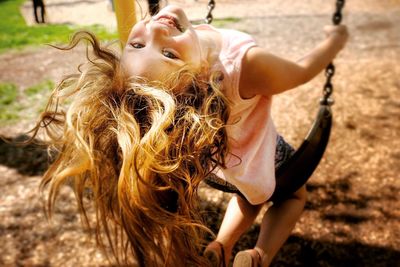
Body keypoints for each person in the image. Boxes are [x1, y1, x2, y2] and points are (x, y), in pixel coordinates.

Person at [30, 4, 348, 267]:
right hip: (262, 156)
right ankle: (260, 257)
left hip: (221, 162)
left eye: (137, 45)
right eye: (169, 54)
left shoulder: (188, 82)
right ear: (200, 82)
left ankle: (221, 246)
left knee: (247, 193)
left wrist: (172, 48)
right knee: (292, 195)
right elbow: (303, 71)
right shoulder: (247, 67)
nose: (153, 30)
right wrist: (334, 42)